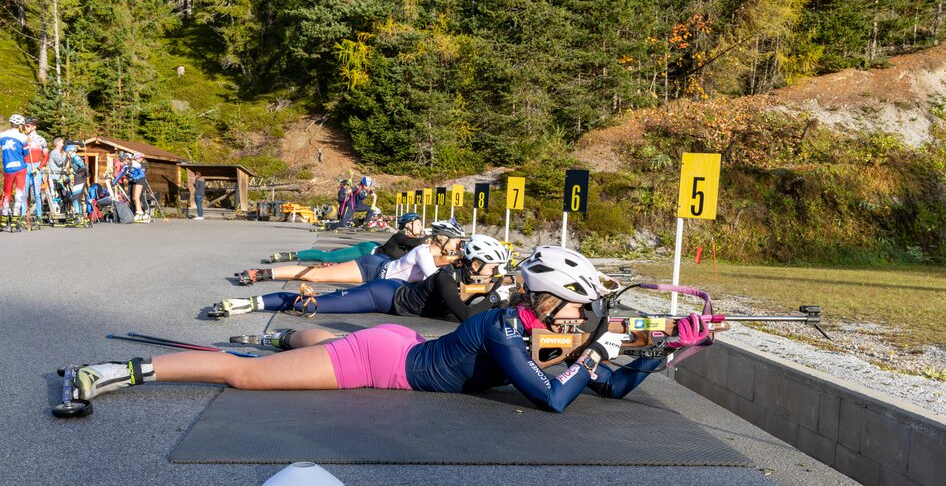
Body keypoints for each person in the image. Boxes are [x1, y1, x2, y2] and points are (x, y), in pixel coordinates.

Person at [69, 246, 710, 414]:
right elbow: (552, 399)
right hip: (385, 363)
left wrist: (665, 352)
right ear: (546, 302)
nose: (583, 320)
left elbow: (609, 387)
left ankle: (282, 336)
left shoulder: (537, 330)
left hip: (405, 346)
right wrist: (594, 355)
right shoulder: (503, 329)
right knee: (245, 377)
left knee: (320, 343)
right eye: (577, 309)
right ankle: (110, 373)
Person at [218, 234, 513, 322]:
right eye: (494, 267)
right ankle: (249, 303)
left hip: (393, 286)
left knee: (320, 292)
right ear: (476, 264)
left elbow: (468, 301)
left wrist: (499, 295)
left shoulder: (463, 275)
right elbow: (465, 315)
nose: (496, 273)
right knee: (317, 304)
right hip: (383, 294)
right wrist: (494, 297)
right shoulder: (446, 277)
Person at [236, 219, 465, 286]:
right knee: (325, 260)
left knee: (321, 271)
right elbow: (426, 258)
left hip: (378, 269)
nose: (458, 247)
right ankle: (272, 267)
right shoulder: (408, 240)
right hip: (370, 256)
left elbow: (439, 262)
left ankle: (266, 273)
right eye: (457, 242)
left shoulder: (430, 251)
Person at [267, 212, 427, 264]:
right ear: (408, 225)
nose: (421, 227)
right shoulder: (400, 236)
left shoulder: (409, 240)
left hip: (374, 259)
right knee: (327, 257)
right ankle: (291, 255)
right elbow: (419, 242)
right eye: (419, 224)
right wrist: (437, 235)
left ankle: (338, 251)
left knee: (336, 255)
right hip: (366, 251)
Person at [1, 115, 29, 222]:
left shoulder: (2, 135)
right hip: (21, 167)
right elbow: (26, 154)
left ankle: (4, 215)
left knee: (7, 192)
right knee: (19, 192)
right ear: (20, 125)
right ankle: (15, 216)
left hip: (8, 167)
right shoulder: (23, 137)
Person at [22, 117, 48, 221]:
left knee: (37, 193)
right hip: (25, 166)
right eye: (25, 126)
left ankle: (39, 215)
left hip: (36, 166)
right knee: (24, 193)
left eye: (27, 126)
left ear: (34, 127)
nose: (25, 128)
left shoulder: (41, 140)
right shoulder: (23, 138)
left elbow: (46, 156)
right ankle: (23, 215)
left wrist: (38, 168)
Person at [113, 152, 148, 222]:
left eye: (127, 159)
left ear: (130, 159)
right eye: (125, 159)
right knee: (133, 198)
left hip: (140, 179)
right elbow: (120, 174)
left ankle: (140, 213)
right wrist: (114, 182)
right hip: (135, 180)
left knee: (137, 197)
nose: (125, 161)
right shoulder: (126, 166)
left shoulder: (136, 164)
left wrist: (135, 177)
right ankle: (139, 212)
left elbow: (142, 174)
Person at [63, 144, 88, 216]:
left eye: (67, 152)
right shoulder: (73, 159)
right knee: (76, 198)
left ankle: (78, 214)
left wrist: (75, 173)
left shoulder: (76, 158)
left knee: (75, 197)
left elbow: (83, 167)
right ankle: (79, 214)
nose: (67, 154)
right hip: (78, 178)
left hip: (80, 179)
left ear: (71, 151)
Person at [46, 137, 66, 215]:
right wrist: (65, 155)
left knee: (60, 194)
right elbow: (60, 162)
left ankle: (60, 209)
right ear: (57, 143)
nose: (63, 143)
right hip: (54, 177)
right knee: (54, 194)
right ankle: (54, 211)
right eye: (61, 142)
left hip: (58, 177)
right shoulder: (55, 152)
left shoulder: (58, 153)